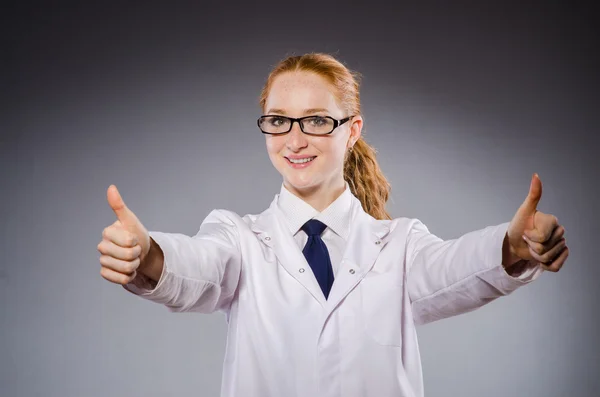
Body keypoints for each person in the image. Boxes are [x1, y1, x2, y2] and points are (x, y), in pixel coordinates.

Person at [97, 53, 569, 397]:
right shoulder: (239, 239)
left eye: (317, 120)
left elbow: (457, 268)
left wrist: (513, 246)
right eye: (278, 121)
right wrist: (149, 254)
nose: (295, 139)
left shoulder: (398, 246)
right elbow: (197, 266)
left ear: (352, 130)